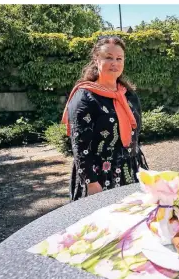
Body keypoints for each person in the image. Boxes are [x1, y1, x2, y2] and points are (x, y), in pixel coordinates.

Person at [61, 35, 148, 201]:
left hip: (130, 170)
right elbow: (80, 147)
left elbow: (135, 136)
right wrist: (91, 182)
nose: (114, 63)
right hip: (99, 176)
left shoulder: (128, 95)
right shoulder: (85, 97)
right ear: (96, 59)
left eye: (119, 58)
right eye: (108, 58)